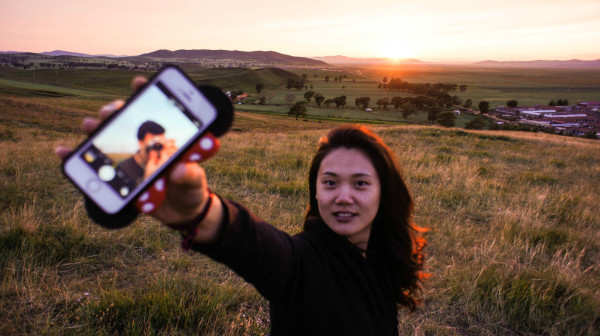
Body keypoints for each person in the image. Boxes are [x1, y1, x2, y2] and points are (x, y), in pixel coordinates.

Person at [56, 76, 426, 335]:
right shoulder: (304, 263)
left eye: (360, 183)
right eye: (329, 183)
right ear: (315, 191)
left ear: (384, 191)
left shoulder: (382, 256)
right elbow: (259, 248)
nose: (342, 196)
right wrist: (201, 212)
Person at [117, 120, 177, 185]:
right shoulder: (123, 169)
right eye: (154, 144)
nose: (158, 149)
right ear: (140, 143)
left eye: (161, 144)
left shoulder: (164, 163)